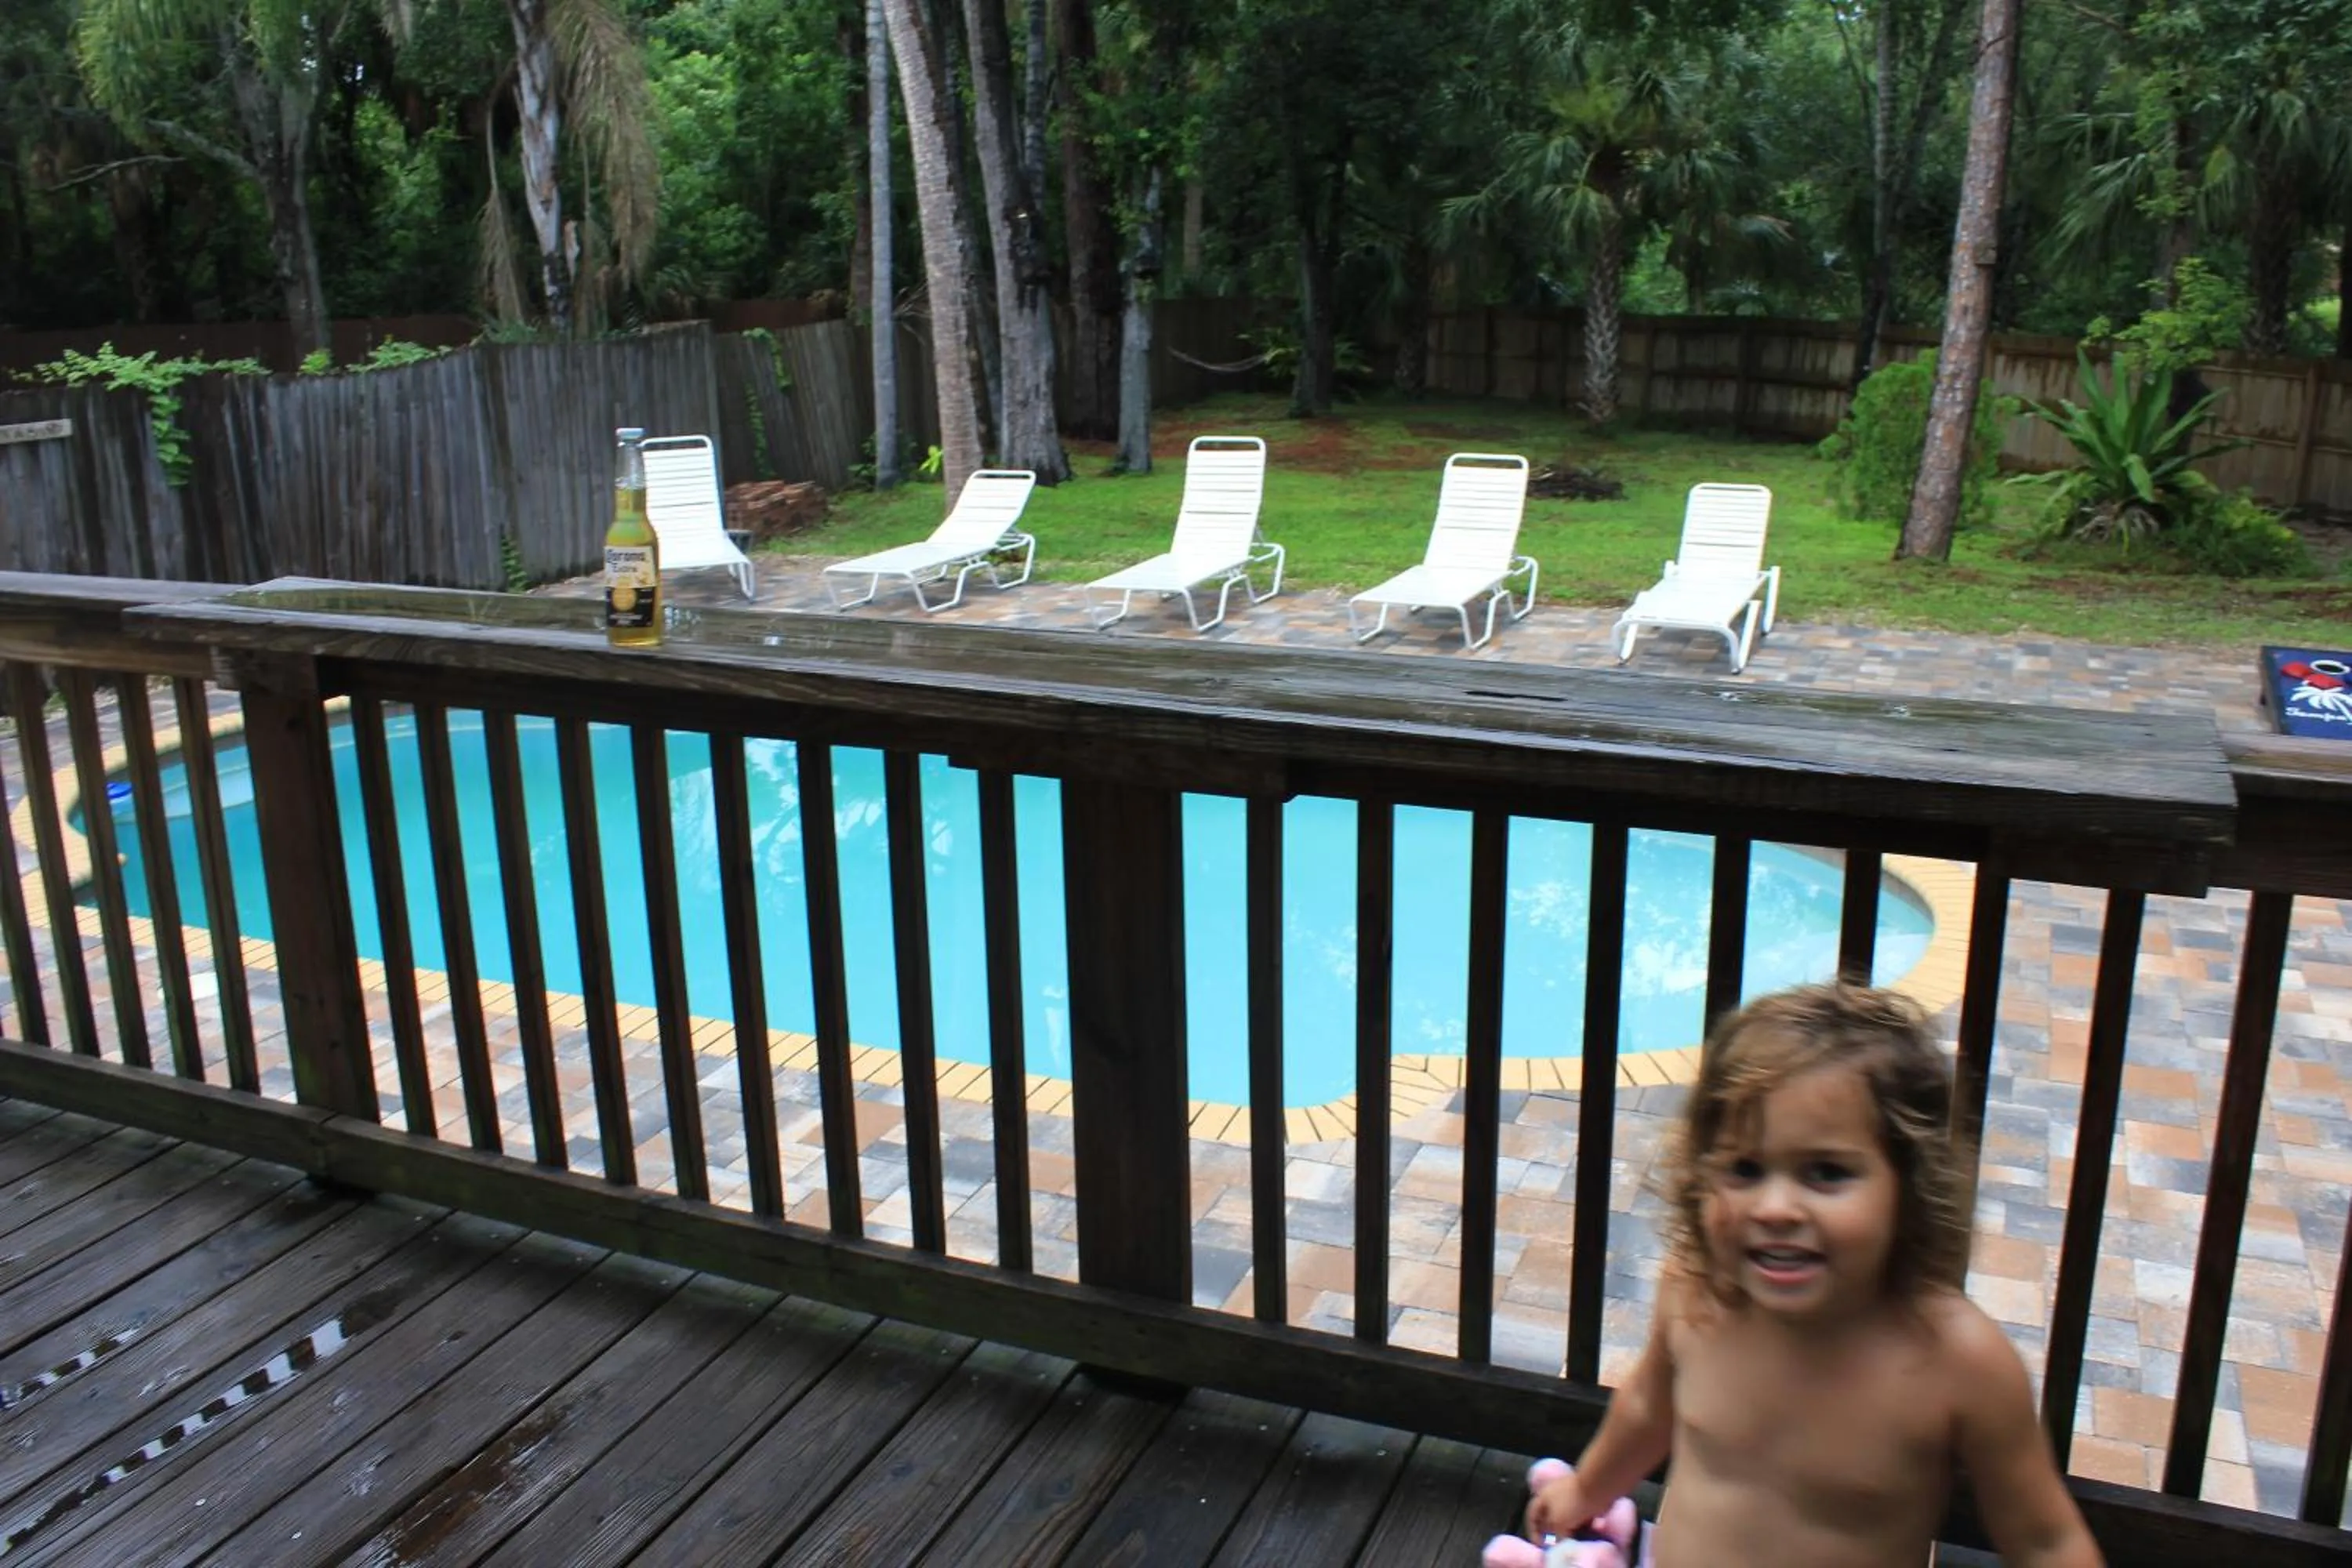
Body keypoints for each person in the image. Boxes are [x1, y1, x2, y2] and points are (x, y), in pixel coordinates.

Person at [1524, 983, 2104, 1568]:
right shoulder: (1698, 1292)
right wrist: (1586, 1491)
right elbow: (1648, 1407)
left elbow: (2045, 1541)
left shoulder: (1958, 1362)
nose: (1775, 1208)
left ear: (1910, 1185)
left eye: (1826, 1173)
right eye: (1745, 1169)